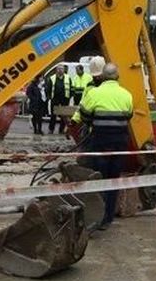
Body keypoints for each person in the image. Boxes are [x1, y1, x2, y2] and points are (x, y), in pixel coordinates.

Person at [75, 63, 133, 231]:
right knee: (113, 181)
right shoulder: (126, 95)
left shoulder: (94, 93)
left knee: (99, 180)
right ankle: (107, 219)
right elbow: (128, 116)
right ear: (117, 77)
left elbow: (85, 115)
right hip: (120, 144)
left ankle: (95, 216)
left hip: (99, 143)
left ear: (102, 76)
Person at [47, 64, 71, 134]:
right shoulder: (52, 78)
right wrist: (49, 97)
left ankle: (61, 130)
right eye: (59, 69)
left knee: (64, 115)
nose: (60, 70)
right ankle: (51, 129)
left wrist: (69, 96)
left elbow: (71, 87)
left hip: (64, 99)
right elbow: (48, 88)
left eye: (62, 69)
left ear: (64, 70)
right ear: (56, 70)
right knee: (53, 115)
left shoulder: (68, 77)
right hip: (55, 99)